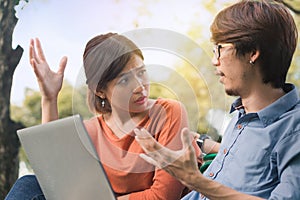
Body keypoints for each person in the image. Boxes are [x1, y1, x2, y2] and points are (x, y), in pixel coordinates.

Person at [135, 0, 300, 199]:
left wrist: (195, 180)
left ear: (252, 53)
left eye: (220, 48)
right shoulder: (240, 116)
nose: (215, 60)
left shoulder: (293, 128)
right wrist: (200, 150)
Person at [6, 33, 199, 200]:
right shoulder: (91, 131)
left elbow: (164, 196)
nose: (140, 87)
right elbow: (56, 179)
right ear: (100, 90)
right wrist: (49, 98)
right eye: (125, 80)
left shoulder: (168, 112)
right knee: (29, 184)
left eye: (142, 73)